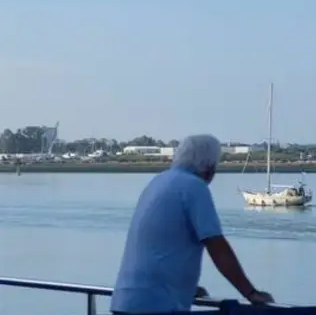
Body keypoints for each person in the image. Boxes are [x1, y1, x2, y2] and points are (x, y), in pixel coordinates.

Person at [110, 134, 273, 314]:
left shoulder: (159, 181)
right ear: (209, 166)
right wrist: (250, 293)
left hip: (126, 300)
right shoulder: (194, 187)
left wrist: (187, 287)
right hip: (157, 305)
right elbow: (216, 246)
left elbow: (160, 244)